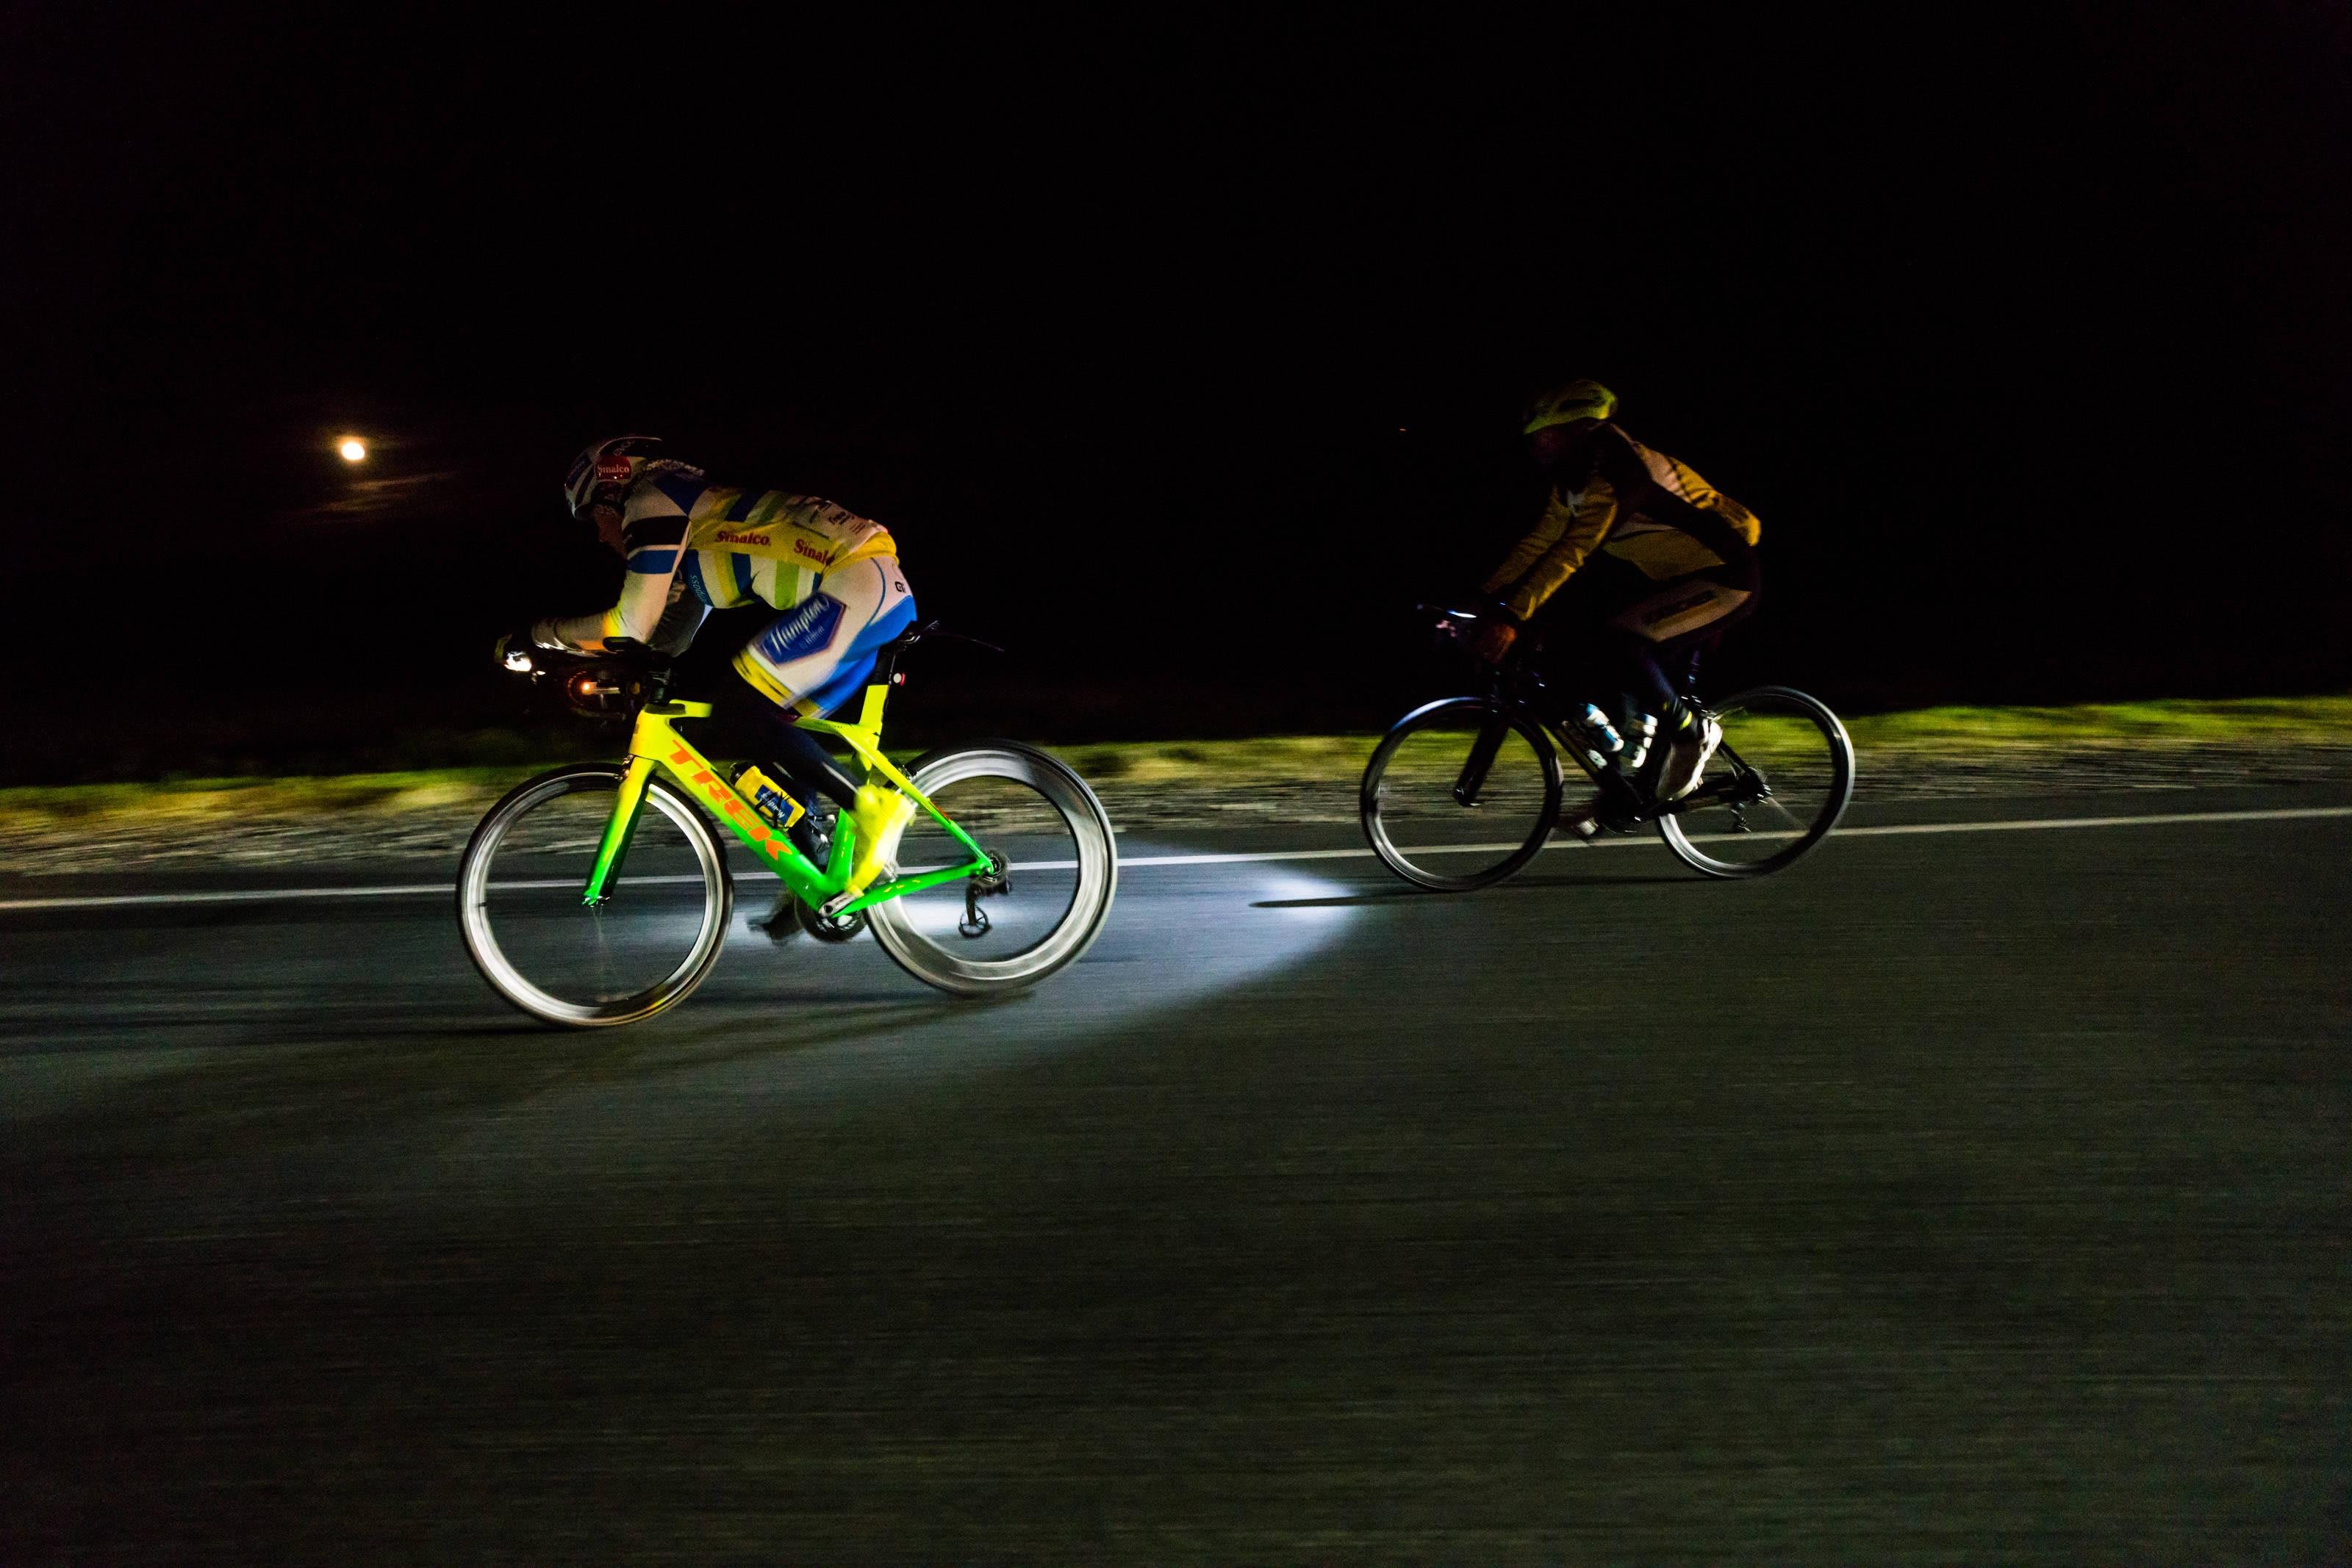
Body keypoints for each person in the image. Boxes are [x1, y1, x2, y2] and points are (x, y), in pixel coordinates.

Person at [498, 435, 919, 909]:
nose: (600, 535)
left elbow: (630, 624)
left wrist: (538, 636)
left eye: (596, 517)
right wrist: (606, 664)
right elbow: (666, 639)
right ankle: (822, 874)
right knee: (766, 753)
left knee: (738, 709)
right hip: (868, 589)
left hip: (856, 585)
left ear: (612, 489)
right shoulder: (696, 525)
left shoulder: (653, 496)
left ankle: (873, 809)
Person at [1468, 380, 1761, 832]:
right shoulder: (1574, 480)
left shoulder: (1621, 478)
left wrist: (1511, 615)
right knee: (1596, 646)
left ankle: (1694, 736)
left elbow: (1573, 553)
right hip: (1674, 581)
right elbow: (1539, 543)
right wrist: (1487, 597)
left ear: (1578, 430)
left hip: (1726, 578)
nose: (1535, 446)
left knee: (1624, 645)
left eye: (1544, 436)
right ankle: (1622, 793)